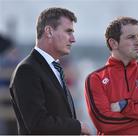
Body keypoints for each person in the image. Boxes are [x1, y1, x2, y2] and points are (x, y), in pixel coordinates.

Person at [84, 16, 138, 135]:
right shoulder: (95, 79)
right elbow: (104, 123)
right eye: (131, 37)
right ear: (113, 43)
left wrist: (124, 106)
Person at [9, 7, 91, 135]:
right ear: (49, 31)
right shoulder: (27, 70)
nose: (73, 39)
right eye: (68, 32)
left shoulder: (54, 68)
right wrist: (78, 127)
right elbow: (37, 123)